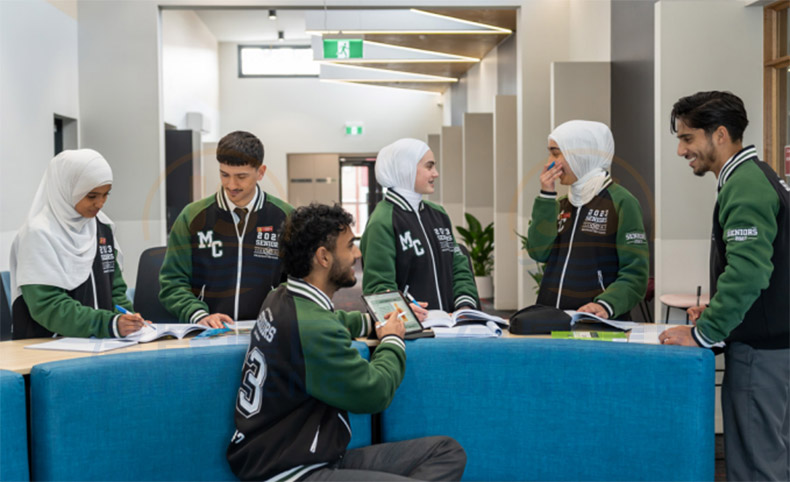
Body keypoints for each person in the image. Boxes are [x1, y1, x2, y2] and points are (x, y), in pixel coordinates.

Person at [227, 203, 466, 481]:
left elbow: (331, 320)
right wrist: (392, 339)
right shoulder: (313, 327)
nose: (358, 253)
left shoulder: (281, 297)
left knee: (447, 452)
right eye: (350, 245)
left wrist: (373, 320)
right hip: (291, 471)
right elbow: (374, 392)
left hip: (308, 455)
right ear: (324, 257)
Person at [661, 91, 789, 481]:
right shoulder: (753, 176)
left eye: (687, 138)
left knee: (756, 468)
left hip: (761, 355)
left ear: (719, 134)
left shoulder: (746, 184)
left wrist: (704, 332)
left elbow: (749, 273)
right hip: (768, 346)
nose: (682, 150)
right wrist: (717, 315)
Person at [159, 130, 293, 327]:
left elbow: (300, 280)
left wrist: (276, 312)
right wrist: (197, 314)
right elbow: (172, 282)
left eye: (241, 176)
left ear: (261, 172)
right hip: (207, 331)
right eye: (224, 175)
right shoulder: (192, 216)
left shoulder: (286, 217)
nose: (232, 185)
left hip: (269, 330)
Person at [10, 149, 148, 339]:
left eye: (106, 194)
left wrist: (129, 321)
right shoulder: (39, 234)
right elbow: (47, 305)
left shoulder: (103, 228)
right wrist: (107, 324)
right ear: (66, 189)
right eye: (91, 196)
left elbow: (115, 289)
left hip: (104, 341)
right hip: (48, 346)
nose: (100, 203)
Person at [526, 120, 649, 320]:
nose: (549, 162)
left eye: (556, 153)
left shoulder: (622, 201)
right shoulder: (561, 203)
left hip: (597, 321)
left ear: (580, 154)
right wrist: (546, 197)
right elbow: (538, 252)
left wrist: (605, 305)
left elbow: (635, 274)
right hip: (552, 318)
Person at [360, 138, 478, 312]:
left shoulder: (439, 214)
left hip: (451, 325)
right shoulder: (382, 221)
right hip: (412, 331)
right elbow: (379, 288)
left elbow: (459, 266)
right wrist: (406, 312)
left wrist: (465, 305)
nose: (435, 173)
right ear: (405, 169)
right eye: (429, 166)